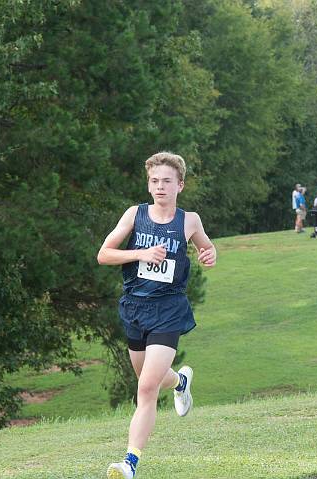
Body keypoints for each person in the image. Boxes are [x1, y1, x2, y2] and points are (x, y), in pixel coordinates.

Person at [97, 152, 216, 478]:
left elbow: (207, 246)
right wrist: (140, 253)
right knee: (150, 379)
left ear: (180, 184)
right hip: (135, 307)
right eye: (154, 181)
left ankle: (129, 464)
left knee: (146, 389)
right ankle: (180, 381)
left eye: (166, 181)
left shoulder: (189, 220)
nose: (160, 187)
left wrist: (209, 254)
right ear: (149, 185)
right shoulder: (135, 215)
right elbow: (104, 254)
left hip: (168, 309)